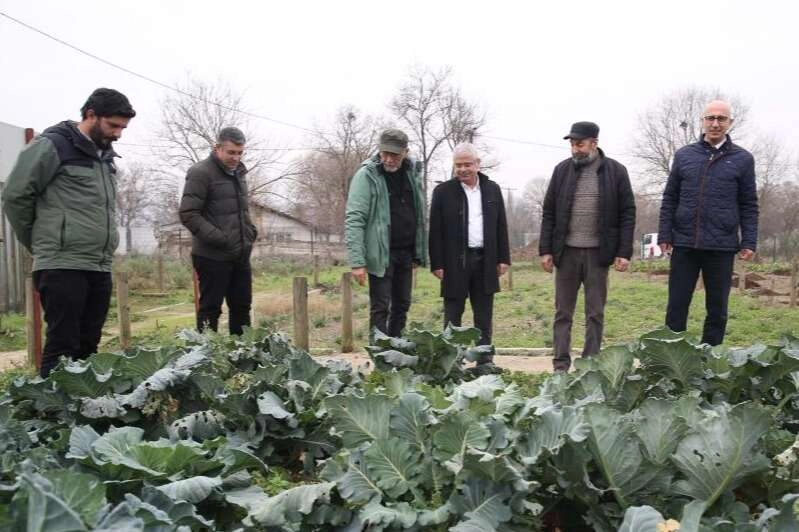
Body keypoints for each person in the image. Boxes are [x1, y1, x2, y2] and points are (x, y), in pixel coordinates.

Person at [2, 88, 136, 377]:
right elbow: (15, 196)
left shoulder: (105, 157)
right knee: (62, 346)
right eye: (113, 125)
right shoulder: (52, 145)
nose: (118, 134)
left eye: (123, 127)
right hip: (61, 264)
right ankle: (51, 414)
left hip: (98, 264)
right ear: (91, 115)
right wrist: (39, 242)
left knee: (88, 345)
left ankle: (82, 412)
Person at [658, 100, 758, 345]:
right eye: (710, 118)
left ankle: (710, 361)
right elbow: (670, 197)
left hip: (721, 246)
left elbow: (749, 204)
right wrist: (664, 234)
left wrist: (749, 241)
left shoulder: (743, 159)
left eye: (721, 119)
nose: (715, 123)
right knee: (677, 306)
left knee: (717, 310)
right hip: (684, 243)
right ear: (702, 121)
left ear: (729, 123)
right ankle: (673, 357)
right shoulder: (684, 155)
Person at [539, 121, 636, 372]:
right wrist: (546, 250)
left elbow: (627, 213)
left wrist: (623, 252)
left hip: (598, 255)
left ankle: (590, 365)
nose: (575, 149)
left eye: (579, 143)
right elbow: (549, 212)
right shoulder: (561, 171)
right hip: (567, 253)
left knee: (595, 313)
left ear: (594, 143)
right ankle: (560, 365)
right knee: (563, 313)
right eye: (572, 144)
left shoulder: (616, 171)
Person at [429, 142, 510, 367]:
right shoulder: (443, 192)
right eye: (458, 165)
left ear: (477, 164)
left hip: (486, 261)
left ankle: (485, 361)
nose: (463, 169)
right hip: (455, 262)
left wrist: (503, 258)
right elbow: (435, 231)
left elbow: (501, 225)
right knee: (453, 314)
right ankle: (450, 361)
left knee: (483, 315)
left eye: (467, 164)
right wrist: (437, 263)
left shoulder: (492, 189)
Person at [344, 128, 426, 339]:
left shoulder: (412, 174)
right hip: (381, 254)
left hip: (406, 253)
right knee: (381, 307)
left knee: (402, 305)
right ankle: (381, 357)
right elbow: (354, 219)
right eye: (385, 153)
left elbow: (419, 213)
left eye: (394, 155)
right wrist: (357, 262)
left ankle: (397, 352)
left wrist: (418, 252)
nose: (388, 159)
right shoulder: (367, 176)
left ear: (405, 152)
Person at [179, 127, 257, 335]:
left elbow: (241, 211)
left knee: (242, 308)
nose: (236, 157)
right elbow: (188, 213)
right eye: (231, 152)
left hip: (240, 254)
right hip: (211, 255)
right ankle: (206, 359)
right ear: (217, 148)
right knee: (210, 310)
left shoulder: (239, 173)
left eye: (240, 153)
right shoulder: (200, 172)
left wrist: (250, 232)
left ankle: (242, 359)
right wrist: (220, 239)